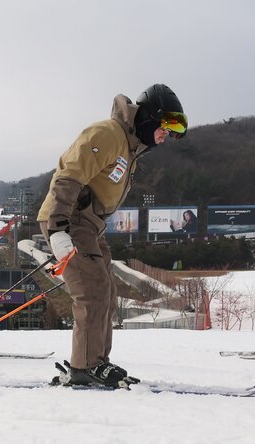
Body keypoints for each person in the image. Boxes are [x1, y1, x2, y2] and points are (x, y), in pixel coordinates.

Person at [38, 84, 186, 387]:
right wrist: (58, 229)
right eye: (166, 127)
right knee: (91, 291)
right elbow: (68, 177)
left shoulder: (129, 148)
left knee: (105, 291)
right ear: (150, 117)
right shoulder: (107, 134)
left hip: (90, 224)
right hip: (70, 219)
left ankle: (97, 361)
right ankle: (85, 366)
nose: (166, 136)